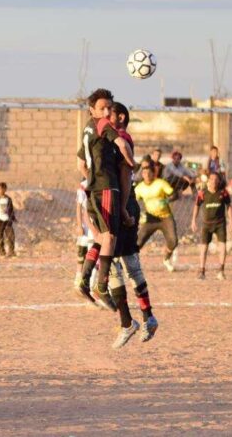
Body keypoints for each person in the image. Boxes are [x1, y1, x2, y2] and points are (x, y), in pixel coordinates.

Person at [75, 88, 135, 317]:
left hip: (92, 189)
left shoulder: (88, 128)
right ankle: (101, 287)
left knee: (101, 238)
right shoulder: (103, 125)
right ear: (93, 110)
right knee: (110, 238)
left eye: (110, 107)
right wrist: (132, 162)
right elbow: (121, 144)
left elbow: (80, 163)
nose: (108, 111)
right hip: (107, 188)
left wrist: (91, 176)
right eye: (103, 108)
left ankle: (84, 280)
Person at [108, 102, 158, 346]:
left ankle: (127, 322)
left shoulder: (120, 138)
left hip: (122, 206)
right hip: (123, 205)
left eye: (110, 113)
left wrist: (124, 207)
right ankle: (147, 316)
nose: (106, 117)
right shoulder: (112, 137)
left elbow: (127, 172)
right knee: (128, 263)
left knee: (111, 263)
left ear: (120, 117)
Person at [191, 172, 232, 280]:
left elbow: (229, 206)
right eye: (211, 179)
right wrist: (193, 221)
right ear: (208, 181)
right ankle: (202, 271)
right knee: (203, 248)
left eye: (216, 179)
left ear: (219, 181)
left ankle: (221, 270)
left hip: (220, 223)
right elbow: (196, 206)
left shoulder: (223, 193)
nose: (213, 181)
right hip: (206, 224)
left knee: (222, 246)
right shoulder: (202, 193)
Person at [135, 166, 178, 272]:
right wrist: (139, 214)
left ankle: (166, 259)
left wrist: (166, 201)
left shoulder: (160, 183)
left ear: (153, 174)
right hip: (151, 219)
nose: (147, 175)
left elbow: (174, 195)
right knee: (138, 243)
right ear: (142, 175)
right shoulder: (139, 188)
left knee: (173, 241)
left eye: (149, 173)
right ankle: (132, 265)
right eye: (144, 173)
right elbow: (132, 201)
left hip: (165, 217)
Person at [0, 182, 16, 257]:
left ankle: (11, 252)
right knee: (0, 236)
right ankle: (2, 252)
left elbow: (11, 210)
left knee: (11, 236)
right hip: (0, 221)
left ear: (5, 189)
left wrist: (12, 218)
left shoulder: (8, 199)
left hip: (7, 221)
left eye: (0, 189)